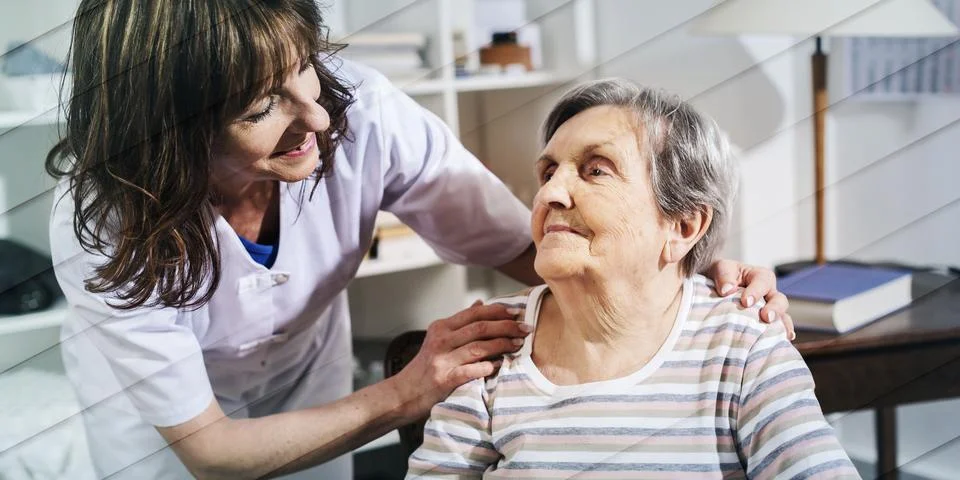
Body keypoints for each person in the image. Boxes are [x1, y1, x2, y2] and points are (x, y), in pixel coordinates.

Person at [47, 1, 791, 479]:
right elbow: (208, 450)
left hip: (306, 366)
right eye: (263, 106)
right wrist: (404, 395)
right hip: (165, 434)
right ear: (174, 134)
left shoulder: (363, 110)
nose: (320, 120)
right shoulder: (107, 221)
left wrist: (684, 270)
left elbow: (530, 246)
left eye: (304, 70)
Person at [407, 79, 856, 479]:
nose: (549, 193)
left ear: (682, 226)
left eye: (595, 170)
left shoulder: (741, 345)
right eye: (548, 172)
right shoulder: (492, 340)